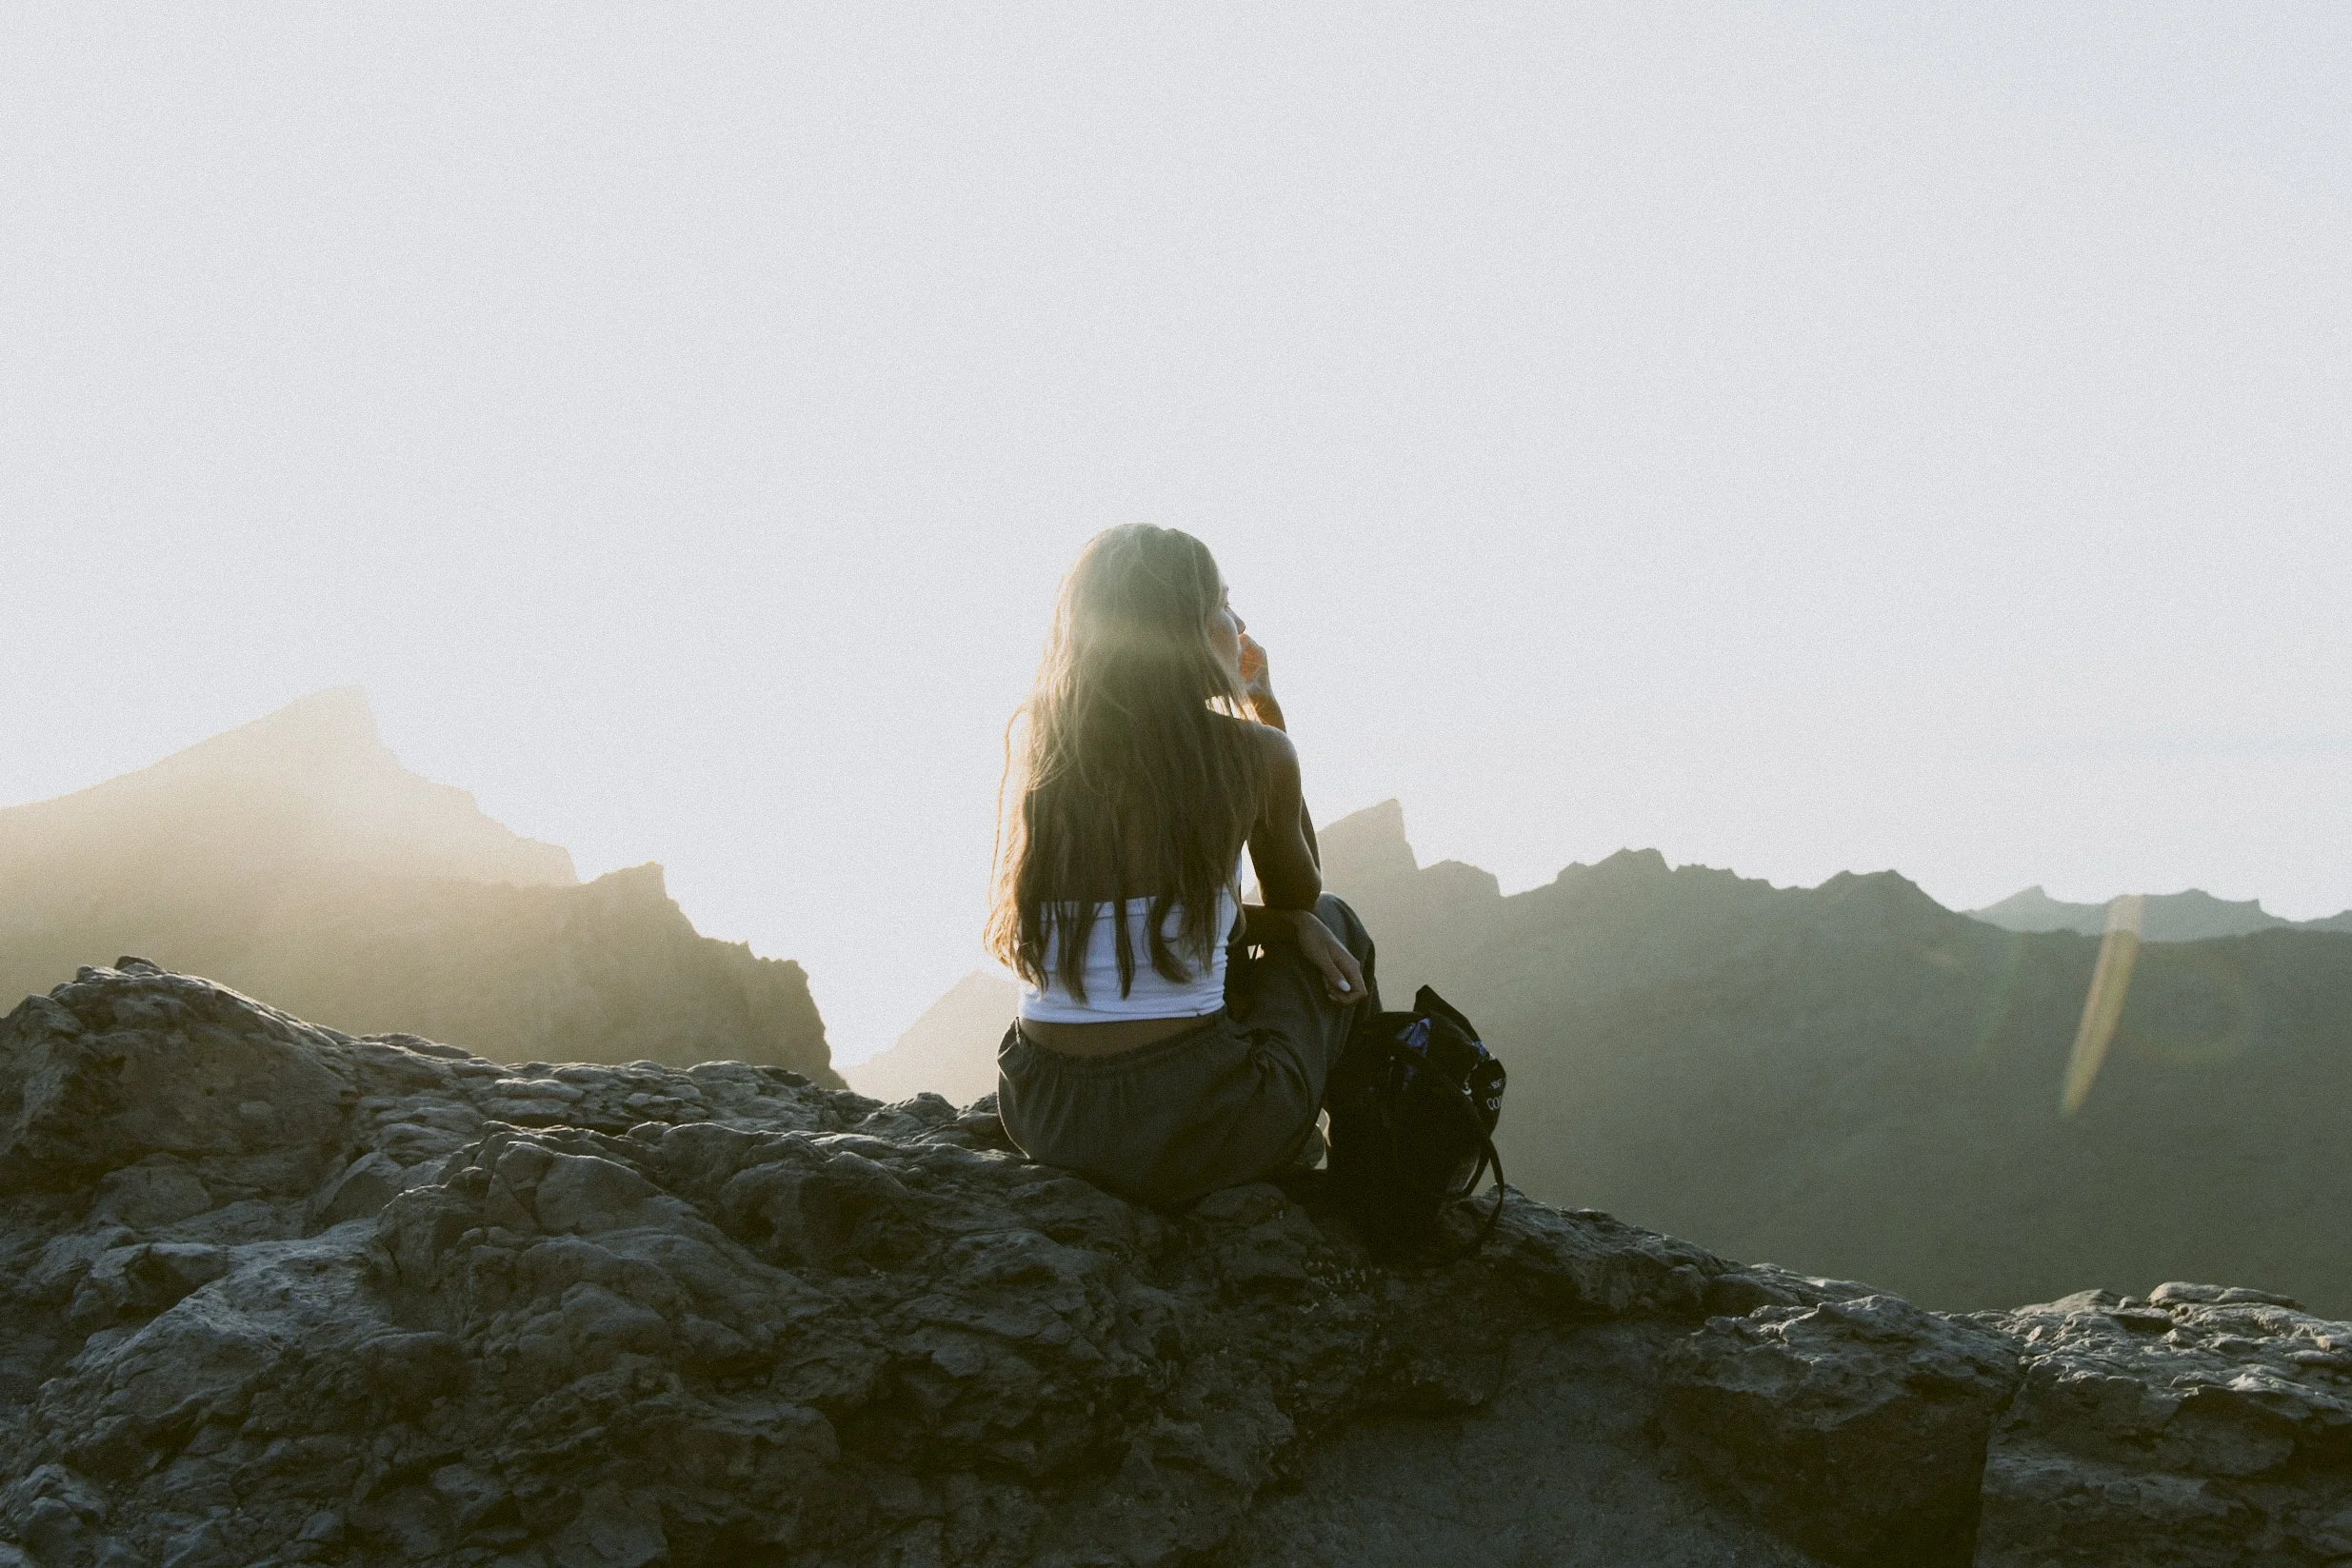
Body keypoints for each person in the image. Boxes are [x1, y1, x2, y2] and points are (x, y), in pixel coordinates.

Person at [986, 525, 1380, 1207]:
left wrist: (1286, 931)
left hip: (1042, 1111)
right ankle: (1372, 1184)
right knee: (1337, 919)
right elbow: (1300, 890)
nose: (1241, 621)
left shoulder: (1046, 754)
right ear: (1188, 631)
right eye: (1224, 603)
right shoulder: (1250, 754)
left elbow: (1151, 918)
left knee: (1295, 933)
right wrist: (1267, 709)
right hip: (1190, 1128)